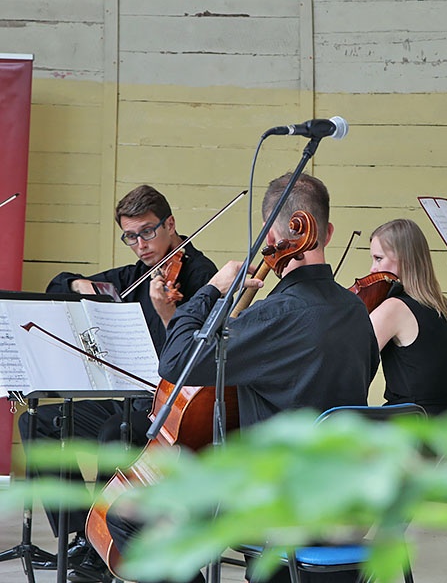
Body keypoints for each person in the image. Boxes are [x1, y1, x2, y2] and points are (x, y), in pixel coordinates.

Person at [105, 172, 380, 583]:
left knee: (128, 517)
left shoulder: (274, 315)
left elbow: (176, 361)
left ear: (270, 238)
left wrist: (212, 290)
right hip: (344, 498)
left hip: (277, 500)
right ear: (330, 232)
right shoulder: (356, 310)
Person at [17, 185, 218, 583]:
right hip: (133, 398)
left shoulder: (200, 276)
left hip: (174, 409)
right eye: (130, 236)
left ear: (171, 224)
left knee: (116, 431)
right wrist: (80, 286)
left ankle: (116, 540)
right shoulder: (135, 276)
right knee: (37, 423)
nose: (140, 245)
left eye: (147, 232)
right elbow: (58, 284)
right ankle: (82, 537)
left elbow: (192, 363)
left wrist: (168, 314)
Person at [367, 219, 447, 416]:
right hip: (442, 424)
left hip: (407, 428)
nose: (373, 268)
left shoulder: (394, 308)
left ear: (404, 259)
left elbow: (353, 361)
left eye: (379, 258)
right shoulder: (443, 307)